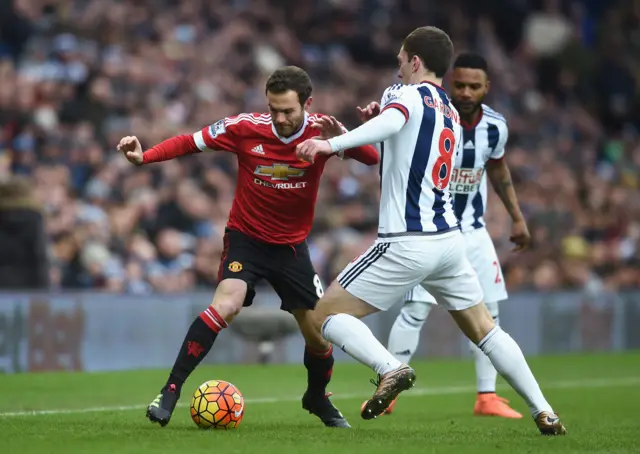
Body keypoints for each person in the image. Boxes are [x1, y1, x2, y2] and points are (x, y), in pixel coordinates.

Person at [295, 27, 566, 435]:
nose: (398, 66)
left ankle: (391, 367)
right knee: (486, 331)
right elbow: (401, 146)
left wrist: (331, 145)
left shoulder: (407, 95)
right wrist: (370, 131)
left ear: (415, 61)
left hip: (406, 239)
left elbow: (396, 122)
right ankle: (545, 410)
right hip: (448, 241)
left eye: (402, 59)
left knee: (322, 315)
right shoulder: (451, 113)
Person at [117, 66, 379, 429]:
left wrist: (342, 139)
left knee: (318, 335)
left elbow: (371, 158)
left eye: (288, 110)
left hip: (291, 249)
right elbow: (189, 142)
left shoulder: (322, 131)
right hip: (247, 239)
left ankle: (316, 397)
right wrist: (145, 157)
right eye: (274, 109)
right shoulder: (244, 127)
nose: (281, 118)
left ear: (308, 104)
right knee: (225, 305)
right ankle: (170, 391)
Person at [381, 53, 529, 419]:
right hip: (432, 230)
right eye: (459, 84)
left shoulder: (495, 127)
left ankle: (486, 397)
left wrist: (517, 216)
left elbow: (496, 167)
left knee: (489, 314)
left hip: (474, 232)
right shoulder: (430, 114)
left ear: (486, 87)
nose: (465, 92)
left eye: (473, 86)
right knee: (415, 309)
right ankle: (389, 387)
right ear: (449, 81)